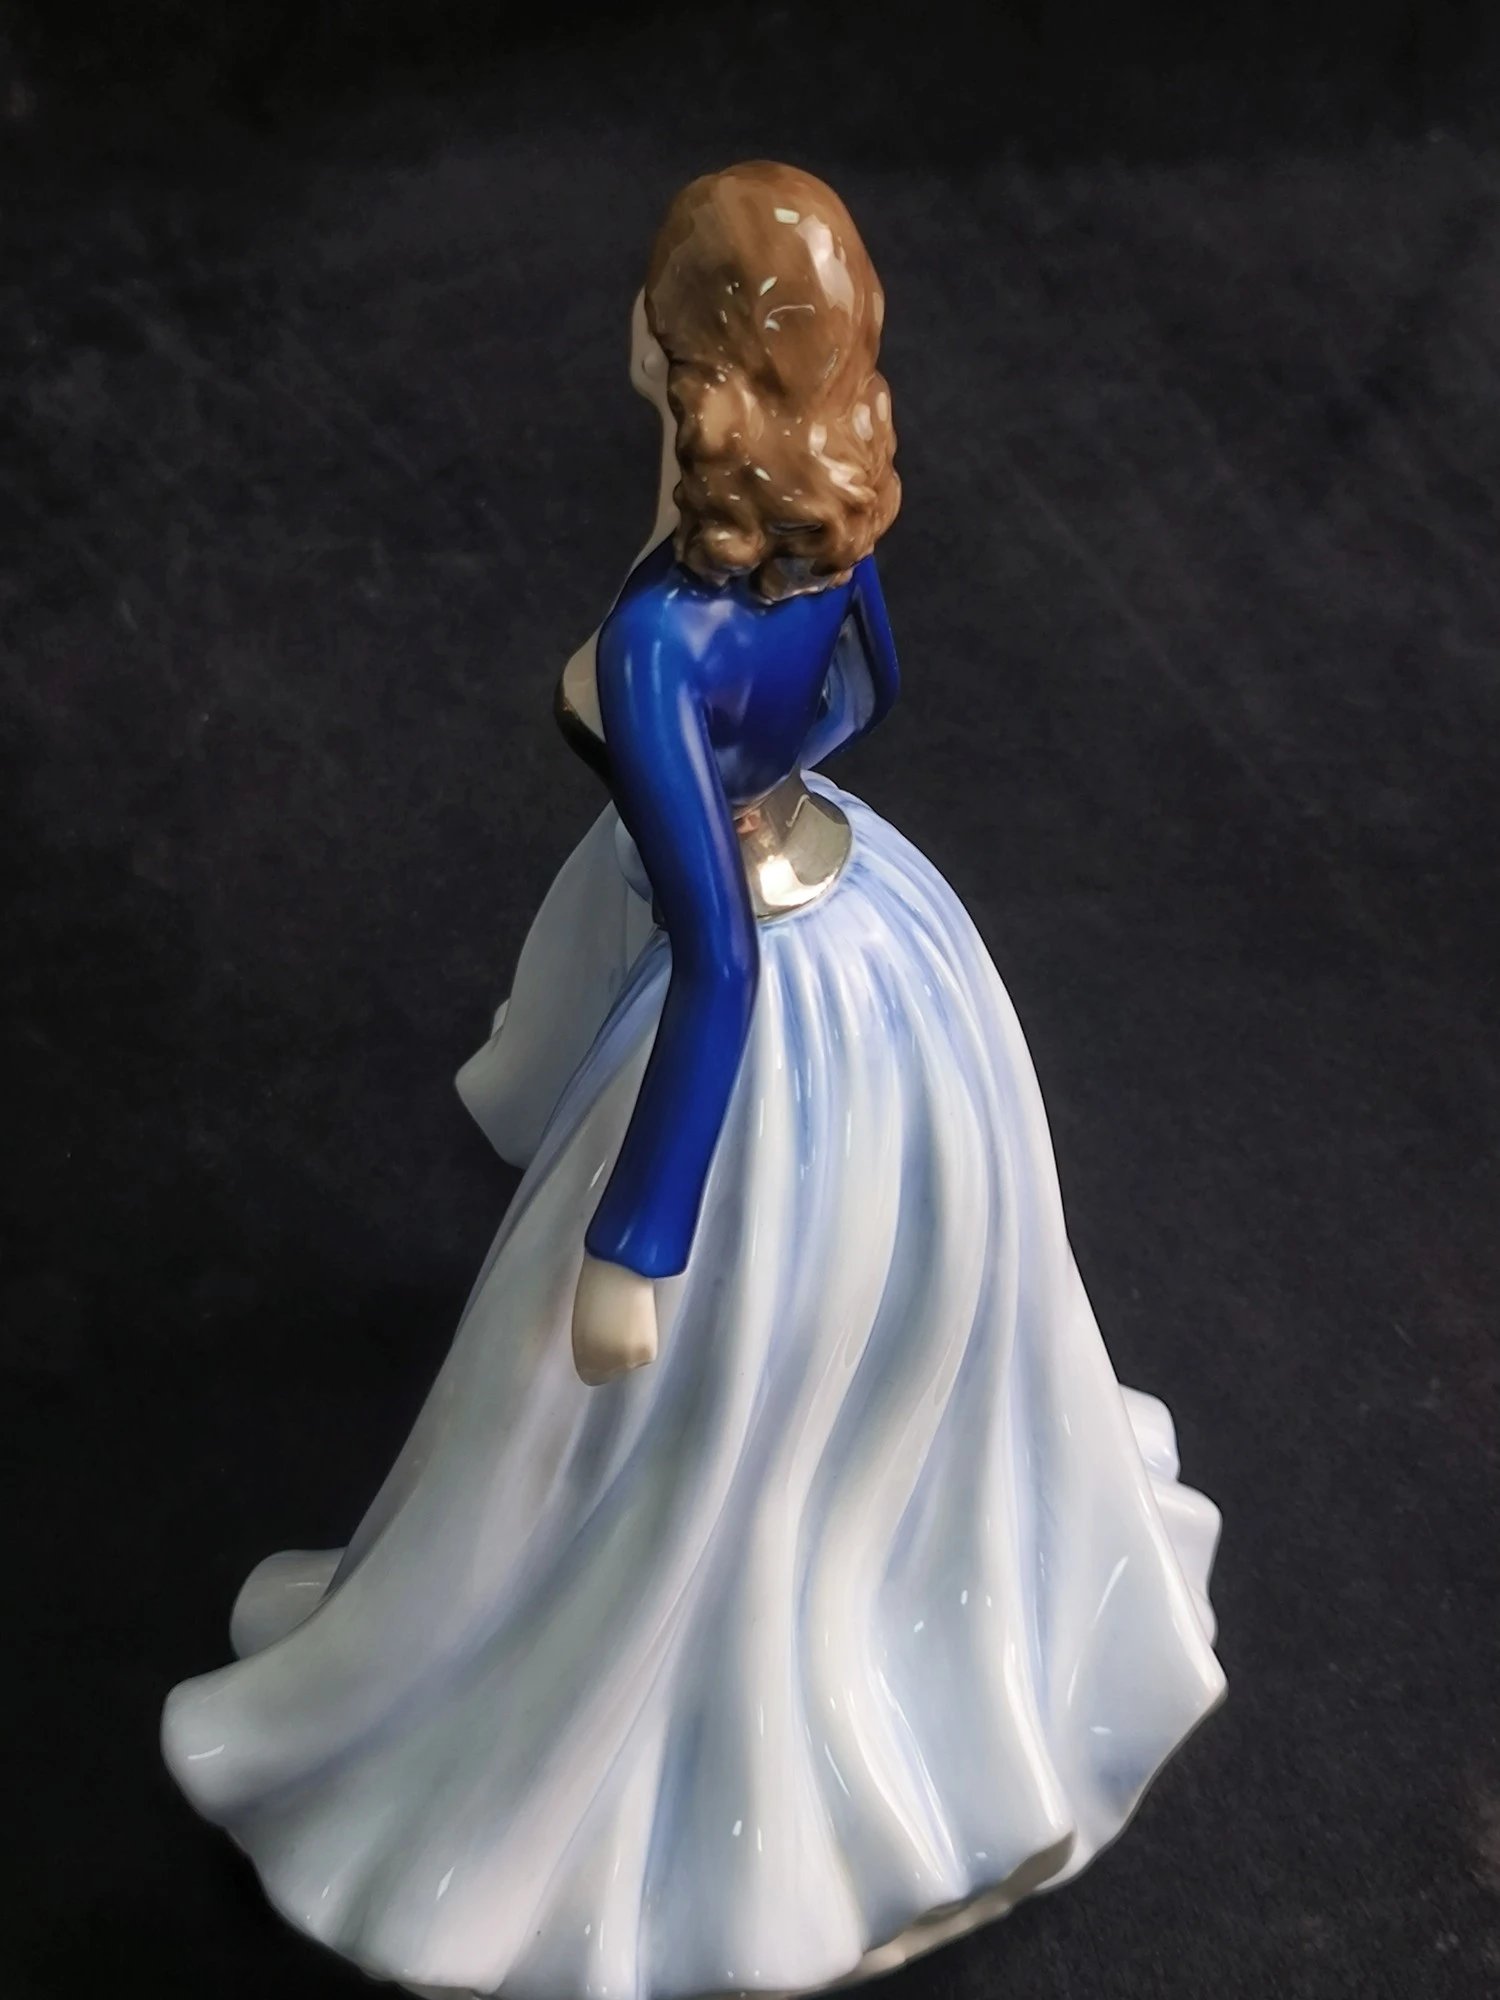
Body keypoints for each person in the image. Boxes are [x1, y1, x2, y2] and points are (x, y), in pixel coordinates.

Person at [163, 160, 1225, 2000]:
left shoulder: (662, 637)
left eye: (657, 319)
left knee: (643, 1402)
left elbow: (717, 966)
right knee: (884, 1319)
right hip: (888, 943)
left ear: (685, 363)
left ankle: (663, 1767)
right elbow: (871, 694)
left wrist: (634, 1241)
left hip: (761, 1009)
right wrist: (765, 785)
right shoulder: (841, 526)